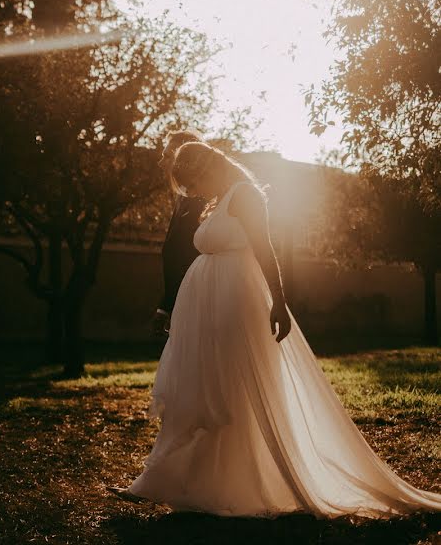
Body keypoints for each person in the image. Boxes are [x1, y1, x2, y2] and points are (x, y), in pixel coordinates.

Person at [109, 141, 441, 518]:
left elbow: (266, 250)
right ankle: (174, 482)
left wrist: (279, 301)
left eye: (193, 181)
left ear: (208, 169)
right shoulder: (216, 201)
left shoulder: (245, 194)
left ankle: (230, 483)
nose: (192, 191)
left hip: (236, 303)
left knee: (230, 391)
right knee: (199, 391)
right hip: (206, 309)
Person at [152, 130, 206, 337]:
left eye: (167, 156)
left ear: (184, 159)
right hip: (181, 302)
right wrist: (164, 306)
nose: (160, 163)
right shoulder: (183, 197)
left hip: (196, 301)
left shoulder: (201, 201)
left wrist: (171, 305)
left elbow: (188, 257)